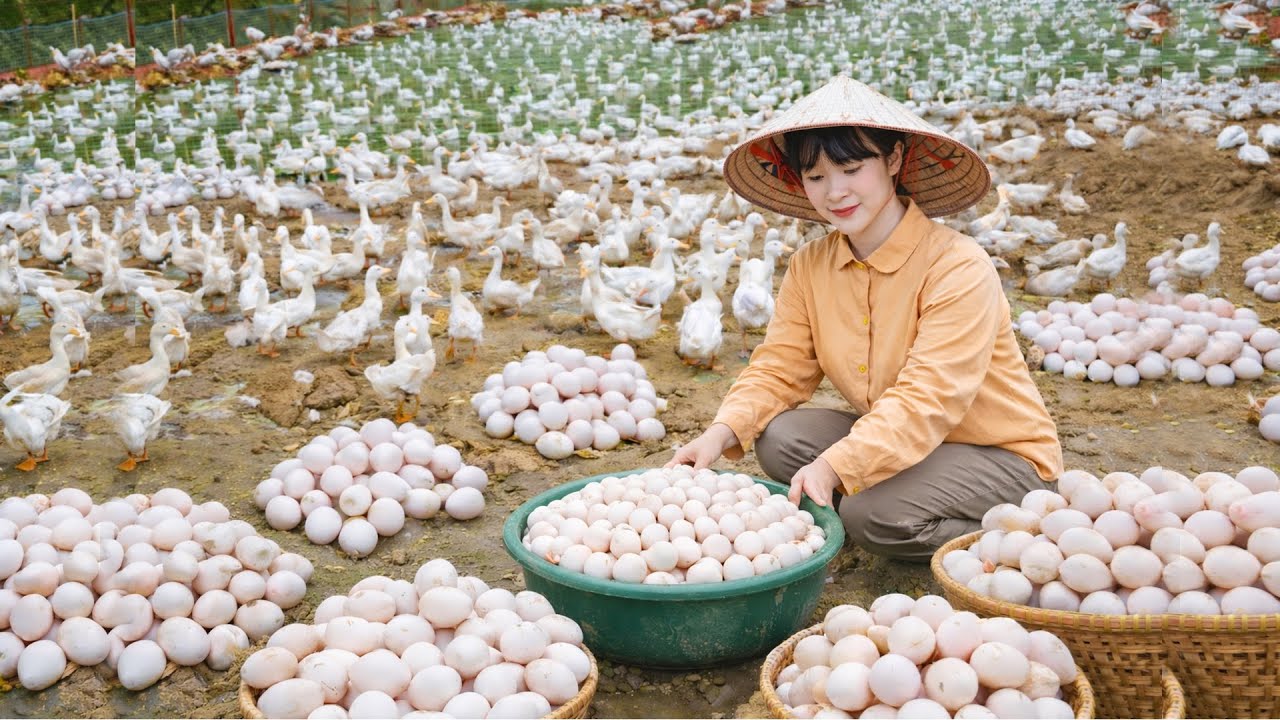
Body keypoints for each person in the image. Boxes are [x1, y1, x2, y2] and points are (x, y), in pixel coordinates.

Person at [666, 76, 1063, 561]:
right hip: (906, 440)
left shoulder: (957, 265)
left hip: (999, 455)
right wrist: (718, 434)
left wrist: (837, 466)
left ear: (893, 159)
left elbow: (928, 398)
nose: (835, 192)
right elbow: (778, 368)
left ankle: (1020, 530)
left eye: (852, 168)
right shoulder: (811, 266)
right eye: (815, 177)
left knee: (871, 514)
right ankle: (889, 492)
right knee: (778, 438)